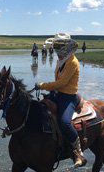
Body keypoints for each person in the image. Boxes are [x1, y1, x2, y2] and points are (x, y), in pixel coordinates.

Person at [35, 33, 86, 168]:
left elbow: (62, 83)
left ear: (67, 47)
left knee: (64, 122)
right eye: (56, 46)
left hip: (69, 97)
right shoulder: (61, 60)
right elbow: (58, 83)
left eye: (59, 46)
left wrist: (42, 85)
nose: (57, 49)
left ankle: (78, 153)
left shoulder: (72, 62)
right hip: (57, 94)